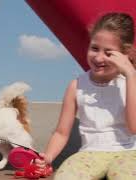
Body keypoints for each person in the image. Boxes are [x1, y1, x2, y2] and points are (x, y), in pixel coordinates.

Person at [35, 12, 136, 180]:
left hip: (129, 153)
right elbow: (61, 132)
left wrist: (131, 74)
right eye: (94, 48)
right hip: (89, 154)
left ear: (125, 54)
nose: (98, 57)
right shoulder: (76, 85)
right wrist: (49, 156)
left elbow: (134, 127)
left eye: (108, 52)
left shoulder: (130, 81)